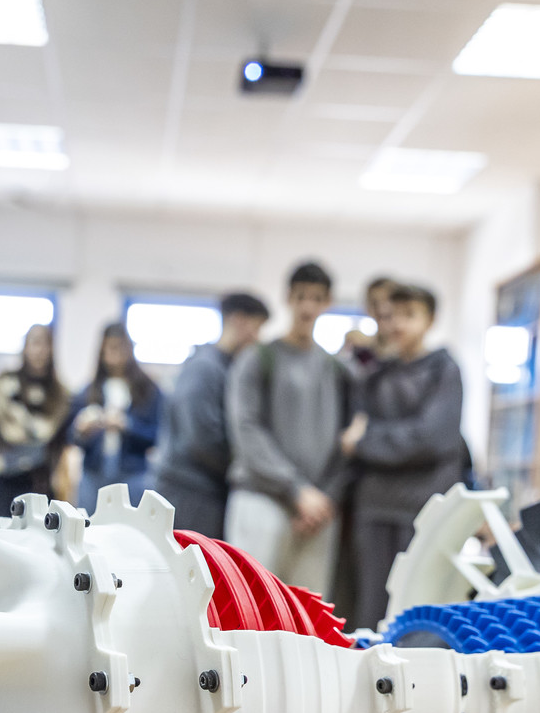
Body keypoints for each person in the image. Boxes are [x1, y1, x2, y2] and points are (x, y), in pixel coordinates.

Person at [339, 283, 466, 630]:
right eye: (392, 316)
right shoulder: (375, 375)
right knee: (371, 612)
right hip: (375, 507)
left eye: (410, 315)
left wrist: (367, 442)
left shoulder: (444, 370)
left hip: (425, 508)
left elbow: (432, 438)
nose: (398, 325)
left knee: (419, 614)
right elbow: (351, 434)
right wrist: (366, 441)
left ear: (430, 320)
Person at [225, 261, 351, 594]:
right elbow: (246, 430)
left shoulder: (336, 370)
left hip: (318, 513)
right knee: (251, 604)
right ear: (288, 298)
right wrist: (296, 490)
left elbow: (347, 442)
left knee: (308, 613)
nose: (308, 306)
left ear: (328, 303)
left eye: (317, 298)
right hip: (262, 499)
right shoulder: (257, 359)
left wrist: (323, 497)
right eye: (301, 296)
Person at [152, 292, 270, 537]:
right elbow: (201, 439)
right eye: (257, 329)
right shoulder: (205, 368)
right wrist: (245, 464)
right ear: (238, 320)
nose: (257, 339)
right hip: (190, 492)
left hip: (207, 491)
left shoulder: (228, 367)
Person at [69, 323, 164, 510]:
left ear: (129, 349)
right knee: (88, 524)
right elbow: (71, 436)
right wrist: (82, 430)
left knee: (131, 525)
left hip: (133, 475)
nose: (116, 355)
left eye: (120, 348)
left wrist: (127, 425)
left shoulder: (147, 390)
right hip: (94, 473)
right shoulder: (89, 391)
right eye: (110, 348)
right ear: (102, 351)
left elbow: (157, 436)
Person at [0, 324, 72, 521]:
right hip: (4, 475)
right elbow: (3, 430)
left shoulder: (59, 394)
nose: (40, 351)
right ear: (25, 347)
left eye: (45, 344)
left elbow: (53, 437)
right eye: (35, 343)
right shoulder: (3, 385)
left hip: (38, 479)